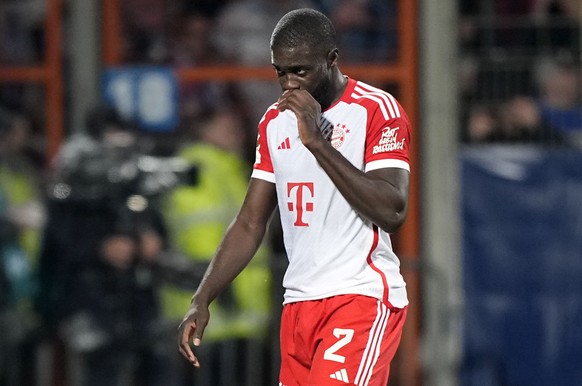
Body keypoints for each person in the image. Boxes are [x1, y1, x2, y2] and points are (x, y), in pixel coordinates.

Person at [178, 8, 411, 385]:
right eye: (280, 72)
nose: (289, 83)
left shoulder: (376, 110)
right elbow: (251, 221)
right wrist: (202, 297)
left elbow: (393, 210)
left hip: (359, 297)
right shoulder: (273, 122)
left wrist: (317, 142)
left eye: (300, 71)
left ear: (331, 60)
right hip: (299, 305)